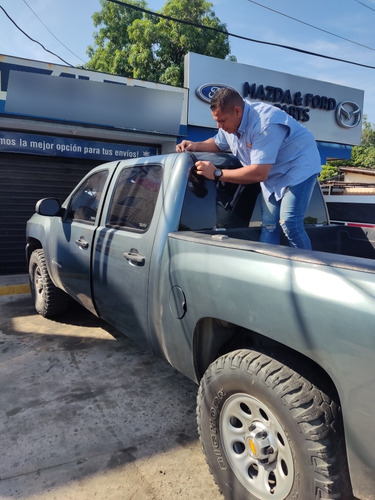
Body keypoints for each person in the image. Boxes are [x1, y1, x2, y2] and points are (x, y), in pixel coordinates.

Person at [176, 87, 322, 249]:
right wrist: (195, 145)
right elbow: (218, 143)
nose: (219, 126)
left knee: (289, 223)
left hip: (299, 166)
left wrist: (217, 173)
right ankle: (269, 270)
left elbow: (259, 173)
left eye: (222, 120)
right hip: (272, 174)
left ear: (237, 111)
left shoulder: (264, 123)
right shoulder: (230, 125)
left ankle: (306, 268)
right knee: (269, 226)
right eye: (216, 121)